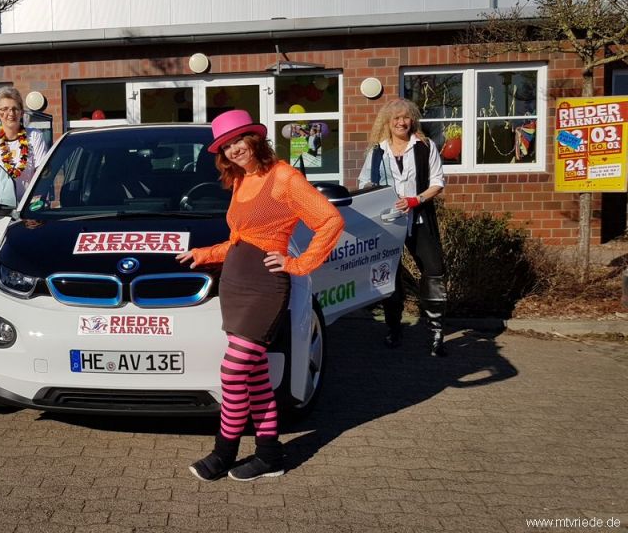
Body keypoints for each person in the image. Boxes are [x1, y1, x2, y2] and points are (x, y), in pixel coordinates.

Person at [175, 109, 344, 482]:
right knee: (255, 378)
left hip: (265, 287)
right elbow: (241, 239)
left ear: (255, 140)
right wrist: (205, 253)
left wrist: (298, 263)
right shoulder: (241, 180)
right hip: (235, 285)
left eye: (238, 141)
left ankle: (224, 452)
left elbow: (331, 220)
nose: (233, 150)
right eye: (226, 146)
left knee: (233, 371)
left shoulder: (284, 177)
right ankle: (270, 455)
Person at [357, 98, 447, 356]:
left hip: (419, 220)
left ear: (412, 120)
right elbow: (364, 183)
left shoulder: (425, 147)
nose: (401, 122)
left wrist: (415, 200)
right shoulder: (377, 152)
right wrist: (379, 196)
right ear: (387, 122)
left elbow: (438, 182)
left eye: (406, 117)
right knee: (390, 276)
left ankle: (436, 332)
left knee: (434, 271)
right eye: (396, 118)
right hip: (388, 224)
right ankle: (394, 328)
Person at [0, 87, 49, 207]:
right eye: (4, 109)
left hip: (27, 209)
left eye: (15, 109)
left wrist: (36, 206)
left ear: (22, 112)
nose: (10, 113)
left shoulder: (35, 136)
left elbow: (42, 176)